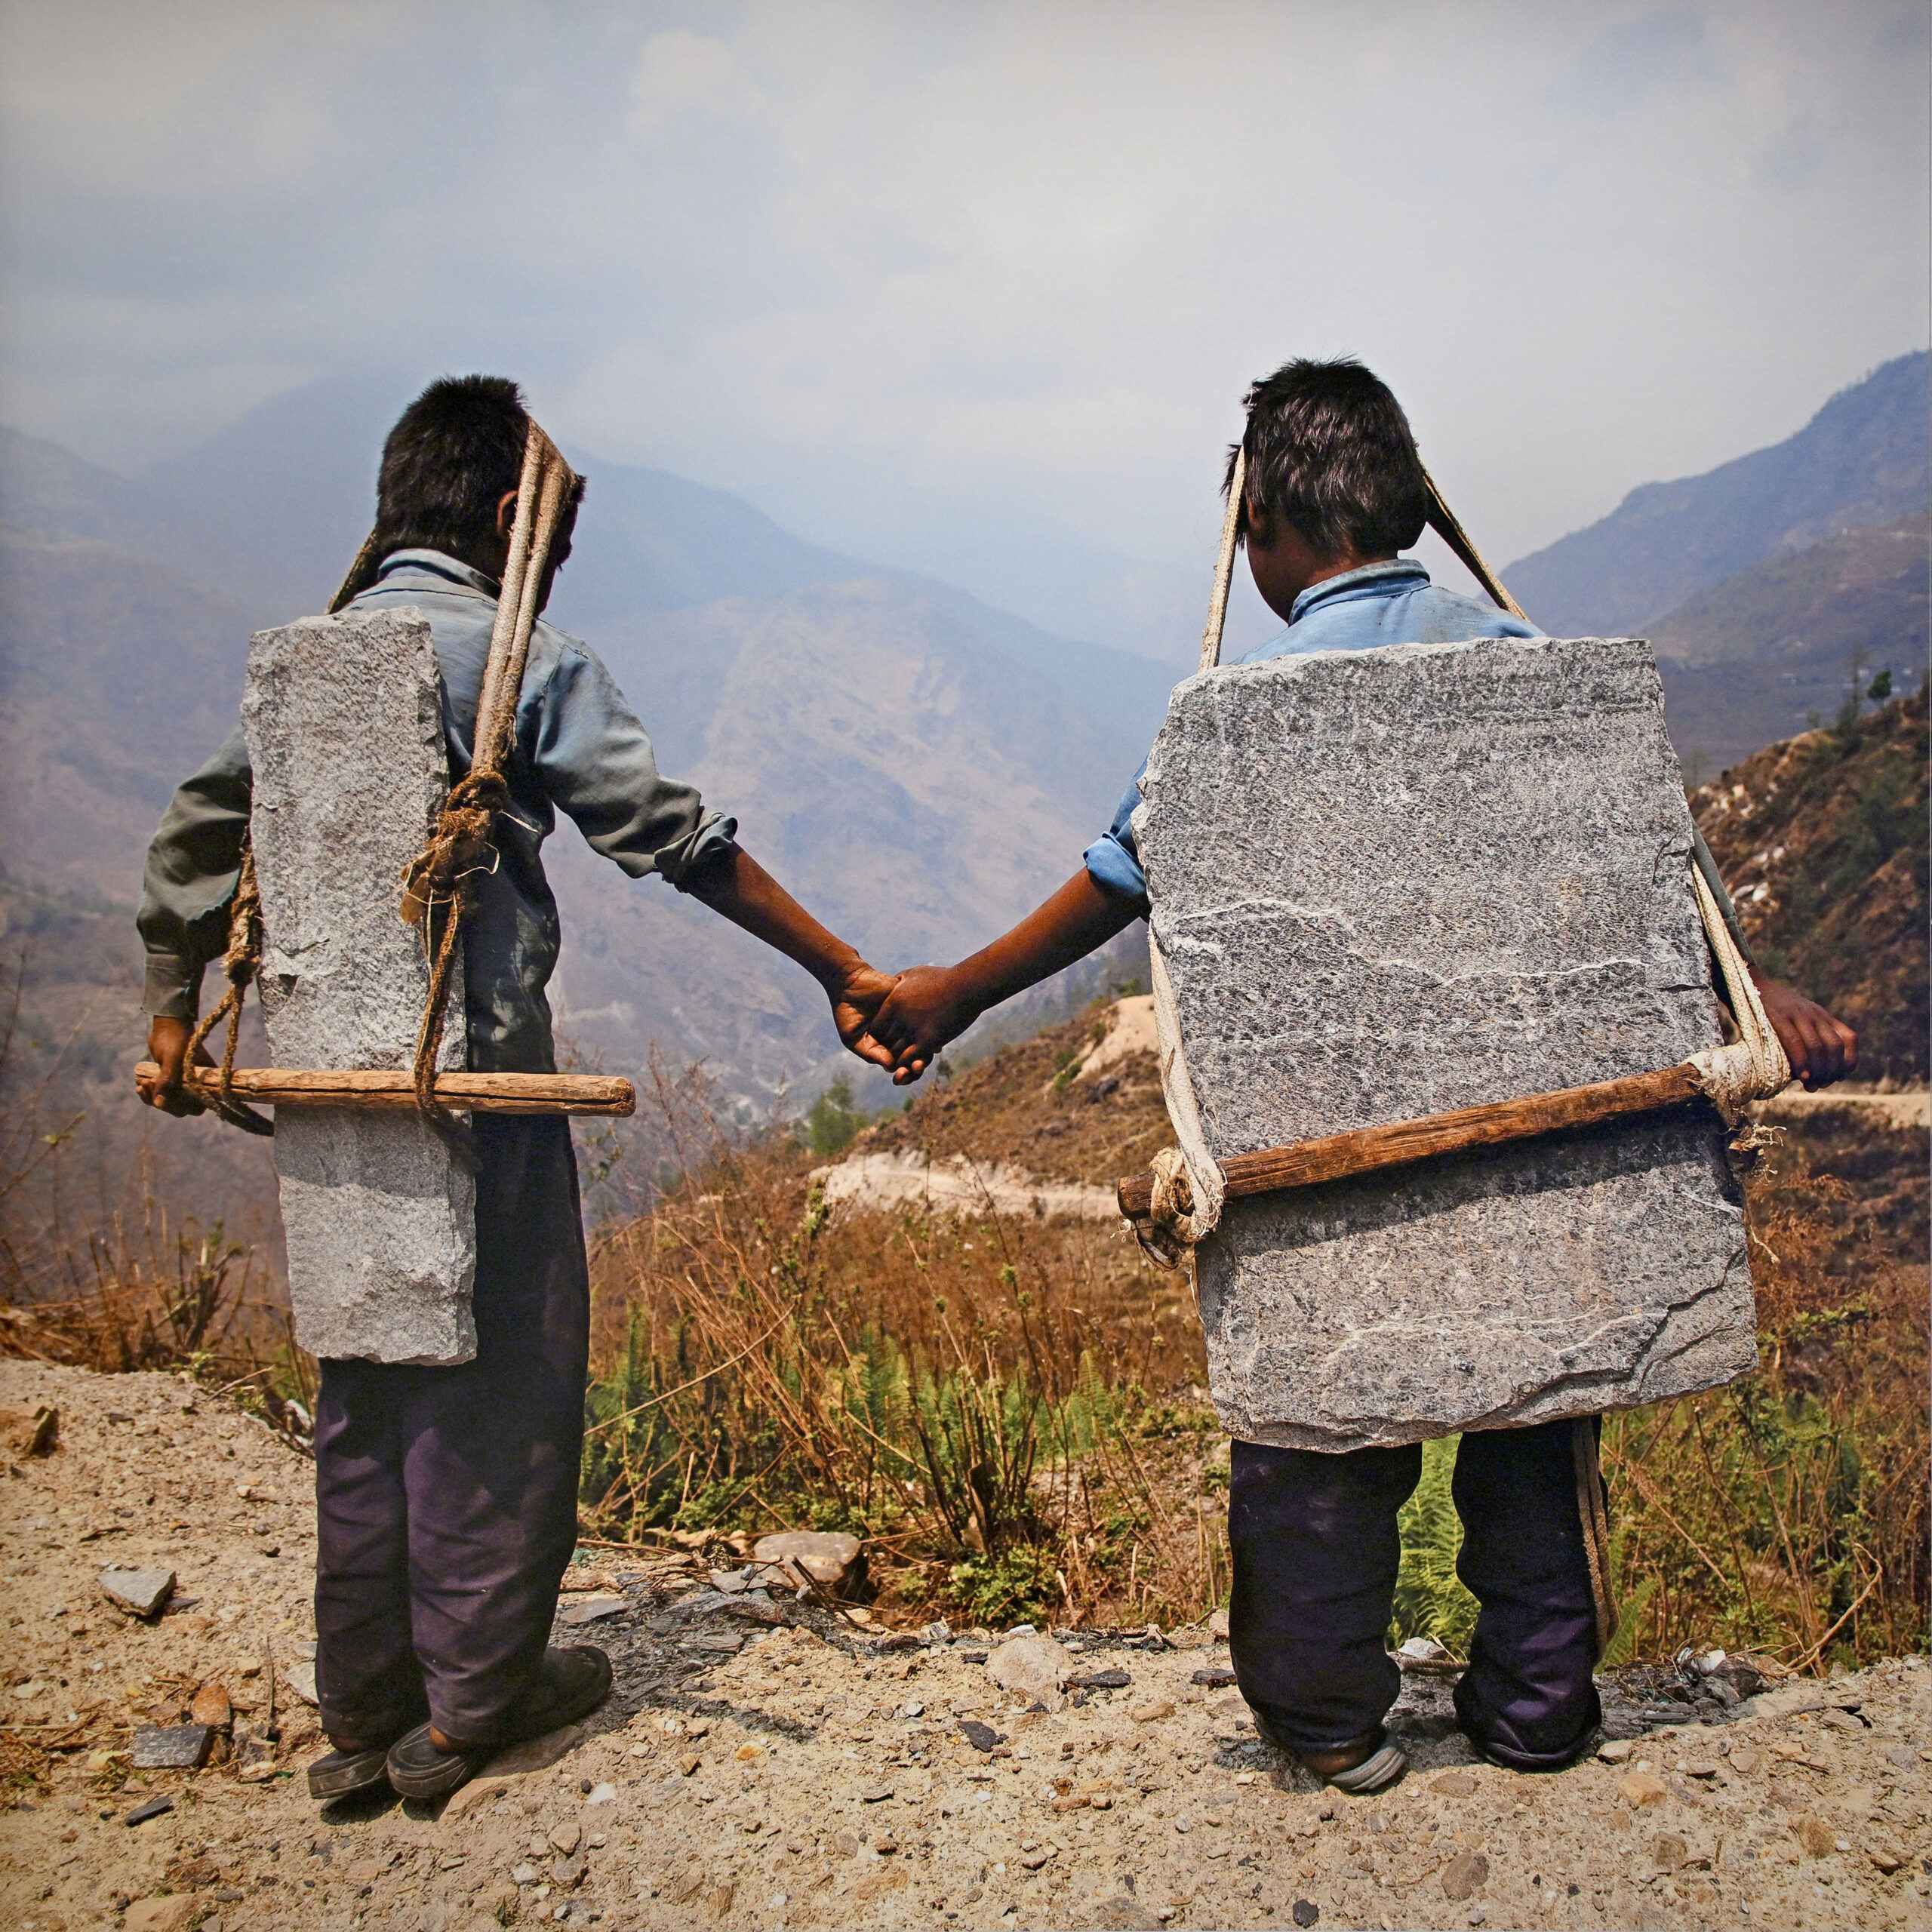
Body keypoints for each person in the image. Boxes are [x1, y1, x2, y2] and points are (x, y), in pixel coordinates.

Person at [865, 357, 1857, 1789]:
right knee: (1537, 1412)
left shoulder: (1227, 720)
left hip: (1320, 1170)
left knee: (1317, 1445)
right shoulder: (1537, 672)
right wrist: (1760, 984)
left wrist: (955, 992)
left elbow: (1117, 878)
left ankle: (1329, 1725)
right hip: (1535, 1152)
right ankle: (1537, 1711)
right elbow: (1663, 870)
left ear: (1259, 523)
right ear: (1409, 503)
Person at [136, 375, 898, 1804]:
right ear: (508, 517)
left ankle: (364, 1703)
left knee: (367, 1371)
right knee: (502, 1374)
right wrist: (839, 967)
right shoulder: (516, 660)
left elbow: (195, 830)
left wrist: (175, 1010)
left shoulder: (300, 662)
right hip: (480, 1086)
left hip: (328, 1085)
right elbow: (669, 833)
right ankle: (475, 1702)